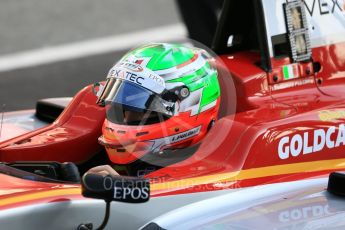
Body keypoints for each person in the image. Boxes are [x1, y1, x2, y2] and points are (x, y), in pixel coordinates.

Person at [89, 43, 221, 177]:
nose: (126, 118)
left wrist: (124, 188)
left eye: (142, 111)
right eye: (122, 107)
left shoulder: (214, 171)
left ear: (191, 106)